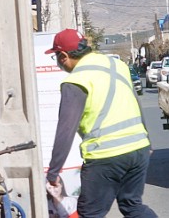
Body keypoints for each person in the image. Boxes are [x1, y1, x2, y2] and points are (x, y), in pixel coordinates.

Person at [45, 28, 156, 217]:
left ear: (63, 55)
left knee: (90, 213)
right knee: (133, 206)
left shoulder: (76, 80)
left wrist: (53, 172)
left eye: (56, 56)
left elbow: (66, 129)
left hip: (105, 156)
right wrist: (148, 140)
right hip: (139, 148)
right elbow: (135, 101)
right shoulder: (116, 65)